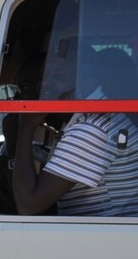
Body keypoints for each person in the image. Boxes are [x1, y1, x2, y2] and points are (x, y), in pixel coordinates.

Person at [13, 47, 138, 217]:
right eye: (45, 74)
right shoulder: (105, 112)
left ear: (88, 81)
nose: (45, 83)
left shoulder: (92, 130)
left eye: (59, 76)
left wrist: (25, 128)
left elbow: (28, 205)